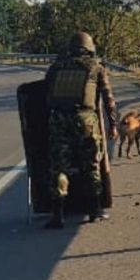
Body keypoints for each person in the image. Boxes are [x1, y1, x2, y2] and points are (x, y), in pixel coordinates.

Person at [43, 31, 118, 228]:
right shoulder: (96, 67)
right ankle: (94, 211)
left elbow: (45, 95)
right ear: (89, 47)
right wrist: (113, 125)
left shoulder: (56, 67)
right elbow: (109, 100)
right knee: (91, 165)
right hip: (86, 121)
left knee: (59, 167)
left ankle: (58, 215)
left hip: (58, 120)